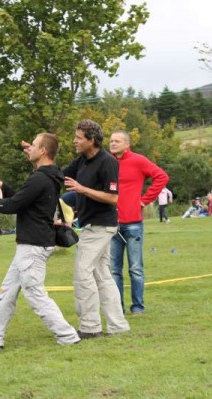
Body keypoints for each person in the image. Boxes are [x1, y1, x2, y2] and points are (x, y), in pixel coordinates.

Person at [0, 133, 80, 350]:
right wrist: (2, 188)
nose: (29, 148)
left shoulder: (40, 178)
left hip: (33, 246)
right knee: (7, 293)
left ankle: (68, 336)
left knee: (35, 294)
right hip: (30, 244)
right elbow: (24, 201)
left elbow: (12, 206)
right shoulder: (46, 177)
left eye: (33, 145)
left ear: (42, 151)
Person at [63, 119, 130, 339]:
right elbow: (59, 176)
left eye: (79, 137)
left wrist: (82, 189)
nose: (74, 141)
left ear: (91, 140)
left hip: (102, 226)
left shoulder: (107, 162)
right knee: (102, 276)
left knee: (83, 273)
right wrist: (37, 160)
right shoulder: (81, 160)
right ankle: (118, 326)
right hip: (91, 225)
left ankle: (90, 327)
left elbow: (112, 198)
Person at [108, 130, 168, 315]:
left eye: (117, 141)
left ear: (127, 144)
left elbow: (161, 177)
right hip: (110, 223)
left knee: (135, 268)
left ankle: (138, 307)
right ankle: (118, 308)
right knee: (113, 270)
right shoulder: (106, 162)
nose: (112, 144)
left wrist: (144, 200)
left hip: (133, 222)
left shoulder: (138, 160)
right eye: (110, 141)